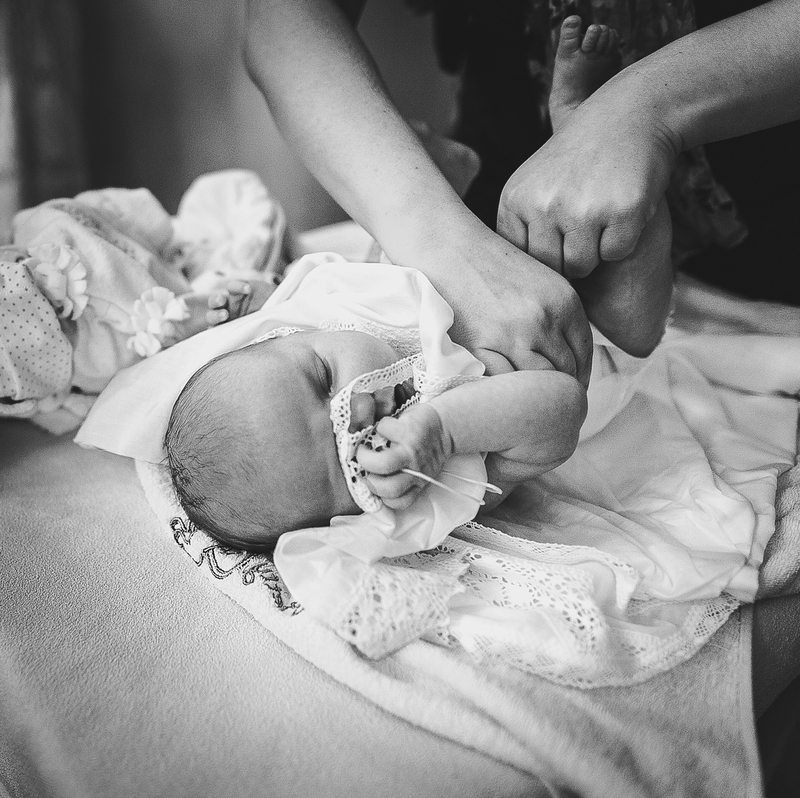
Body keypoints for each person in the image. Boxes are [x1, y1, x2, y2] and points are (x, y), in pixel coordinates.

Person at [164, 22, 673, 550]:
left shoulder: (322, 320)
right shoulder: (443, 475)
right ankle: (590, 127)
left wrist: (255, 300)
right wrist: (445, 431)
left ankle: (507, 157)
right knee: (629, 301)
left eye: (322, 378)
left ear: (284, 337)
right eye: (342, 459)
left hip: (483, 250)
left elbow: (301, 291)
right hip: (586, 340)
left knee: (382, 249)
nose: (355, 410)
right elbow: (563, 408)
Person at [0, 172, 284, 433]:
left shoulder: (56, 242)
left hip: (149, 270)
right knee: (220, 286)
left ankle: (204, 264)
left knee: (223, 197)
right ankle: (230, 277)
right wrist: (170, 323)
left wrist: (165, 316)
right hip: (161, 311)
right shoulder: (88, 363)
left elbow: (112, 268)